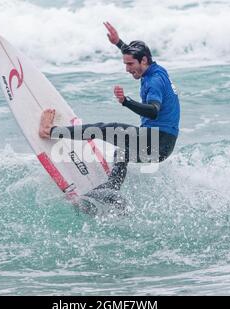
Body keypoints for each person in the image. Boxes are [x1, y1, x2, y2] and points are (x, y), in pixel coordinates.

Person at [39, 21, 180, 191]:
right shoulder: (156, 69)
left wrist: (126, 102)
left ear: (143, 61)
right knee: (122, 152)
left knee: (105, 129)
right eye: (125, 64)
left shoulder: (154, 81)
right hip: (164, 146)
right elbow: (134, 54)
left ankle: (50, 131)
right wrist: (118, 43)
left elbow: (153, 111)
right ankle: (112, 192)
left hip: (157, 138)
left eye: (130, 65)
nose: (127, 69)